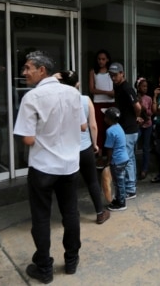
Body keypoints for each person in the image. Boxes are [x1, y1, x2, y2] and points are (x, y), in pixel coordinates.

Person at [12, 51, 83, 282]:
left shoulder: (32, 98)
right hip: (69, 166)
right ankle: (71, 260)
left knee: (41, 218)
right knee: (70, 213)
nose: (24, 73)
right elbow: (82, 126)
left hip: (43, 168)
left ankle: (44, 267)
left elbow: (27, 138)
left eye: (27, 68)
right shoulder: (73, 93)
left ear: (42, 70)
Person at [57, 70, 110, 224]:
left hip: (66, 149)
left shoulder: (58, 101)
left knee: (69, 183)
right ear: (78, 84)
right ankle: (100, 213)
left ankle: (72, 215)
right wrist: (95, 144)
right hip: (85, 147)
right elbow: (92, 126)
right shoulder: (85, 100)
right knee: (92, 181)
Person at [108, 62, 141, 200]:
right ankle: (131, 186)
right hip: (125, 128)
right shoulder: (119, 87)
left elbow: (137, 106)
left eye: (115, 75)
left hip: (129, 128)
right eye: (111, 76)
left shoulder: (127, 88)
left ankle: (130, 189)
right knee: (130, 158)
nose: (113, 78)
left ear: (122, 74)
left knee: (126, 159)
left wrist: (137, 117)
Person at [103, 107, 130, 211]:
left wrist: (108, 161)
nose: (104, 118)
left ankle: (121, 203)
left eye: (105, 116)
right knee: (120, 181)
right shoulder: (118, 126)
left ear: (109, 119)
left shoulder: (110, 131)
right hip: (124, 158)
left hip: (117, 160)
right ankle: (119, 199)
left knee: (118, 182)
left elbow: (109, 148)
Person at [89, 50, 114, 153]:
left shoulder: (112, 72)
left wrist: (111, 93)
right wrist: (107, 92)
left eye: (103, 59)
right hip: (98, 103)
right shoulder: (93, 72)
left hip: (111, 103)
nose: (101, 61)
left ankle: (109, 155)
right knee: (98, 128)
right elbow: (92, 89)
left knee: (111, 129)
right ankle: (99, 154)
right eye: (99, 59)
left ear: (107, 60)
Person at [135, 77, 153, 180]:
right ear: (138, 87)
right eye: (143, 86)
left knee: (146, 147)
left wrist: (146, 109)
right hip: (138, 125)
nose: (145, 88)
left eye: (146, 86)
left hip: (147, 125)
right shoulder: (135, 97)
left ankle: (144, 169)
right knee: (133, 145)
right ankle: (133, 169)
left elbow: (151, 113)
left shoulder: (148, 99)